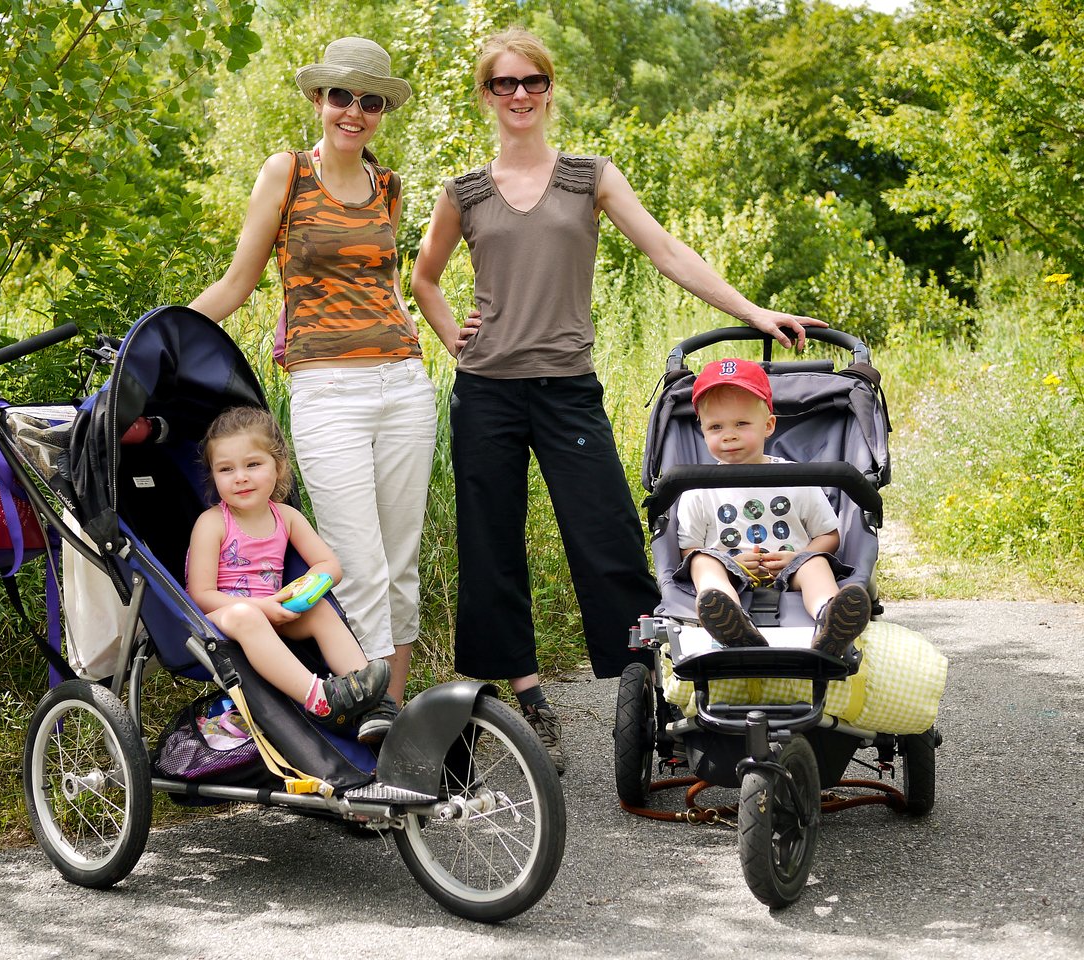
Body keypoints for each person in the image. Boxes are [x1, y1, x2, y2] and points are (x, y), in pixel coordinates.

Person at [410, 27, 826, 773]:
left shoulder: (589, 176)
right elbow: (425, 279)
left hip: (568, 389)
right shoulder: (464, 193)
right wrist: (452, 337)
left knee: (606, 539)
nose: (519, 96)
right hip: (486, 394)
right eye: (503, 84)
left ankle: (656, 687)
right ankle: (529, 697)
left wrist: (755, 313)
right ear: (486, 95)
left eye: (532, 82)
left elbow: (667, 251)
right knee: (491, 550)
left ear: (548, 87)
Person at [188, 37, 434, 714]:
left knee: (402, 568)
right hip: (328, 393)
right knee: (357, 566)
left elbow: (378, 283)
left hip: (404, 385)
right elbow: (239, 281)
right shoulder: (287, 173)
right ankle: (364, 720)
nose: (355, 111)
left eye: (371, 100)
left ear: (382, 111)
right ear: (319, 101)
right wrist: (158, 335)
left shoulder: (388, 186)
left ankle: (398, 718)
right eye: (342, 96)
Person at [187, 406, 394, 743]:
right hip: (221, 620)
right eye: (226, 469)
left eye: (253, 464)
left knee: (321, 608)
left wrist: (304, 591)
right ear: (214, 475)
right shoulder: (212, 523)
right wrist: (263, 607)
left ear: (278, 467)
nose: (240, 477)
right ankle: (322, 701)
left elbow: (330, 566)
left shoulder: (286, 517)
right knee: (244, 615)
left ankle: (374, 704)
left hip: (276, 611)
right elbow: (201, 593)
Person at [675, 358, 872, 655]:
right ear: (702, 431)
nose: (729, 435)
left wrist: (799, 556)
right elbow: (688, 549)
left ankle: (830, 620)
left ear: (768, 426)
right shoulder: (698, 486)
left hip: (790, 570)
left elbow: (829, 535)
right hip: (730, 570)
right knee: (702, 562)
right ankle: (730, 621)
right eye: (716, 427)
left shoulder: (797, 478)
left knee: (815, 563)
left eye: (741, 423)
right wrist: (732, 562)